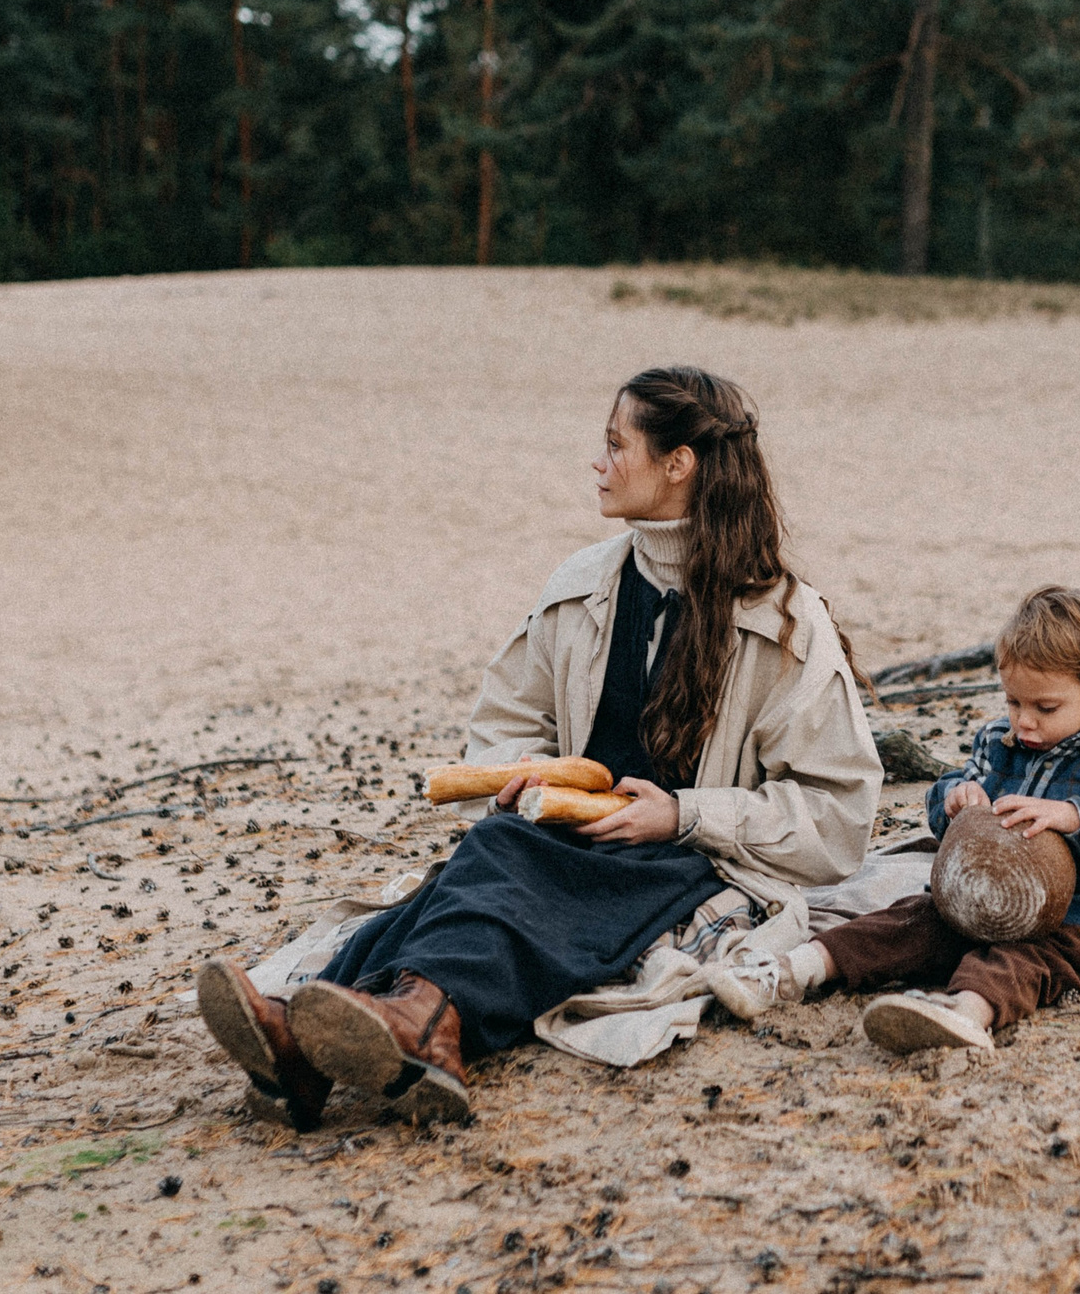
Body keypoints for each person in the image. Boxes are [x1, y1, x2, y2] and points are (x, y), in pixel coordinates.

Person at [193, 366, 880, 1125]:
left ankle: (421, 1023)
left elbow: (836, 815)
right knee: (491, 851)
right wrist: (521, 772)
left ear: (678, 463)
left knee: (504, 862)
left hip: (690, 859)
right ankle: (335, 1034)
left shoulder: (786, 621)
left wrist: (681, 813)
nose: (600, 463)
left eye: (617, 446)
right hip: (572, 835)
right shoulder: (581, 586)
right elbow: (506, 720)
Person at [707, 586, 1080, 1053]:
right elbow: (946, 805)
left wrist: (1074, 817)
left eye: (1045, 707)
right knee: (906, 922)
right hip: (980, 903)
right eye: (1014, 702)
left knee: (1018, 961)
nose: (1025, 722)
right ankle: (793, 971)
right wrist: (954, 800)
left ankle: (964, 1013)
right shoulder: (1000, 739)